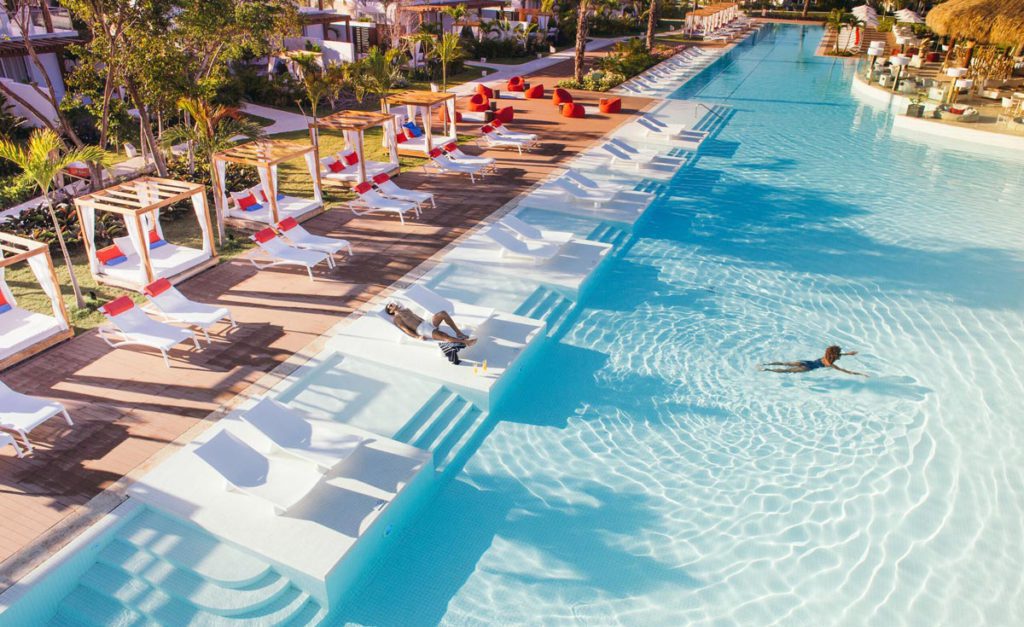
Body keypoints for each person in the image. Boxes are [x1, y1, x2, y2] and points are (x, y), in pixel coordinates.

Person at [384, 302, 478, 346]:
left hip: (426, 322)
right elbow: (405, 329)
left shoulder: (406, 309)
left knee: (442, 313)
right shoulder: (397, 318)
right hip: (421, 329)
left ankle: (459, 333)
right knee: (444, 335)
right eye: (390, 306)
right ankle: (466, 342)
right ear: (390, 311)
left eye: (392, 303)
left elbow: (416, 317)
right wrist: (417, 337)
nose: (392, 304)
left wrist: (430, 324)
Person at [760, 345, 867, 377]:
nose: (840, 355)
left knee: (785, 364)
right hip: (808, 367)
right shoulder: (830, 363)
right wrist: (858, 373)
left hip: (806, 362)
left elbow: (839, 354)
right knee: (786, 371)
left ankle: (766, 364)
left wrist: (849, 353)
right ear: (835, 355)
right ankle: (767, 370)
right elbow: (844, 371)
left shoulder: (826, 356)